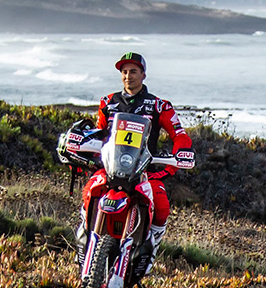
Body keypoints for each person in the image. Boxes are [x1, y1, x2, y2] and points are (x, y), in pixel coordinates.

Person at [80, 52, 193, 271]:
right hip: (110, 169)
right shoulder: (108, 102)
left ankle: (149, 254)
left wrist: (182, 153)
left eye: (133, 71)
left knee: (161, 205)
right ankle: (85, 239)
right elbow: (99, 132)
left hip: (144, 172)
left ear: (143, 74)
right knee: (89, 193)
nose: (128, 76)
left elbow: (180, 135)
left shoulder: (159, 106)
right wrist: (81, 142)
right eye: (124, 72)